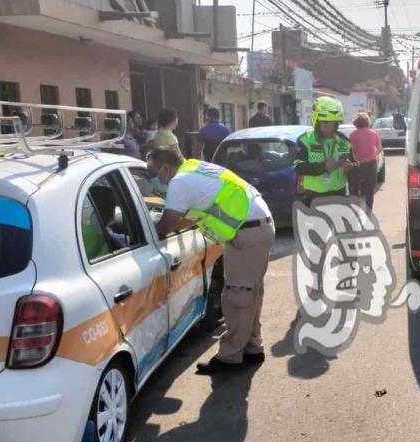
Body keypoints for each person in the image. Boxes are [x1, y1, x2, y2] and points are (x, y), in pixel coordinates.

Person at [148, 147, 275, 373]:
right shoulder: (196, 168)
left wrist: (148, 230)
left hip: (247, 231)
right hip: (255, 225)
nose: (155, 179)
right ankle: (253, 348)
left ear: (166, 168)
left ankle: (230, 357)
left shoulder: (180, 182)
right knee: (249, 292)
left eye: (154, 172)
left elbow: (167, 225)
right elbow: (195, 216)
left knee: (237, 295)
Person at [293, 96, 356, 206]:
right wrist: (324, 167)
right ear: (316, 121)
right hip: (314, 197)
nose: (329, 127)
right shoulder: (305, 140)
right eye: (325, 123)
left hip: (339, 196)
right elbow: (299, 168)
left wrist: (352, 168)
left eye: (333, 123)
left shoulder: (344, 141)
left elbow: (356, 165)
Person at [348, 112, 382, 210]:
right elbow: (379, 149)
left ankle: (356, 209)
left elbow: (352, 150)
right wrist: (373, 155)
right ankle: (369, 211)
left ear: (356, 122)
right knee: (369, 190)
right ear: (367, 122)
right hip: (371, 164)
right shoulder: (373, 133)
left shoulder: (352, 135)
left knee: (355, 188)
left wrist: (356, 159)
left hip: (358, 164)